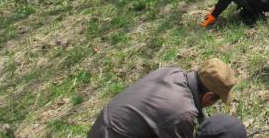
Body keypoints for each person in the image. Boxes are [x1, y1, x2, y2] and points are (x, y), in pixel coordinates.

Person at [88, 58, 235, 138]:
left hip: (102, 127)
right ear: (208, 96)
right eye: (217, 100)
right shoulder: (182, 113)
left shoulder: (172, 72)